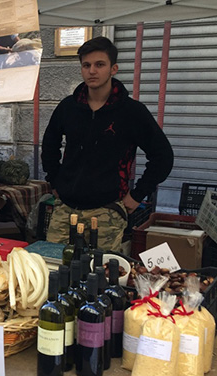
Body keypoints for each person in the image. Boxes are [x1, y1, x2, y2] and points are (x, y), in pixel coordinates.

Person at [41, 36, 174, 252]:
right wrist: (54, 182)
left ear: (113, 69)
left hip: (106, 213)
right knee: (52, 269)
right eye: (86, 65)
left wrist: (137, 195)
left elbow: (163, 156)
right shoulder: (68, 108)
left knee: (98, 276)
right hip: (65, 210)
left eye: (99, 64)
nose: (92, 71)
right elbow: (49, 145)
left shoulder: (131, 112)